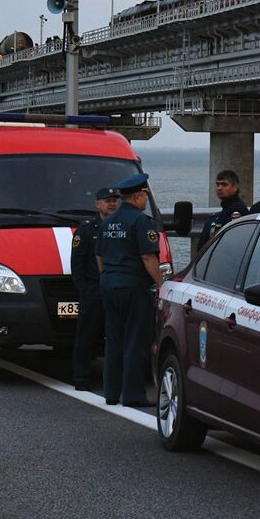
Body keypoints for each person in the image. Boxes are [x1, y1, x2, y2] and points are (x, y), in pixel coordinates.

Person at [97, 172, 164, 407]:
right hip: (133, 287)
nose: (145, 201)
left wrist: (108, 277)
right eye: (144, 196)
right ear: (137, 197)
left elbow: (100, 257)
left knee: (113, 339)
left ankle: (111, 393)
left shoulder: (107, 222)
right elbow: (147, 256)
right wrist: (161, 285)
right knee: (136, 340)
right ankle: (133, 394)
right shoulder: (141, 222)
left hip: (109, 284)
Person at [70, 186, 118, 390]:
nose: (112, 203)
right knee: (86, 336)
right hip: (93, 290)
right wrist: (84, 290)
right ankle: (81, 377)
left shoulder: (122, 227)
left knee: (116, 336)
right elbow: (77, 263)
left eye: (115, 200)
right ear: (97, 204)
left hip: (115, 290)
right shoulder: (87, 230)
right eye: (107, 200)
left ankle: (114, 379)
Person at [201, 169, 249, 243]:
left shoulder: (237, 210)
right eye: (218, 184)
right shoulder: (226, 209)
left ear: (235, 187)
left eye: (224, 185)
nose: (219, 188)